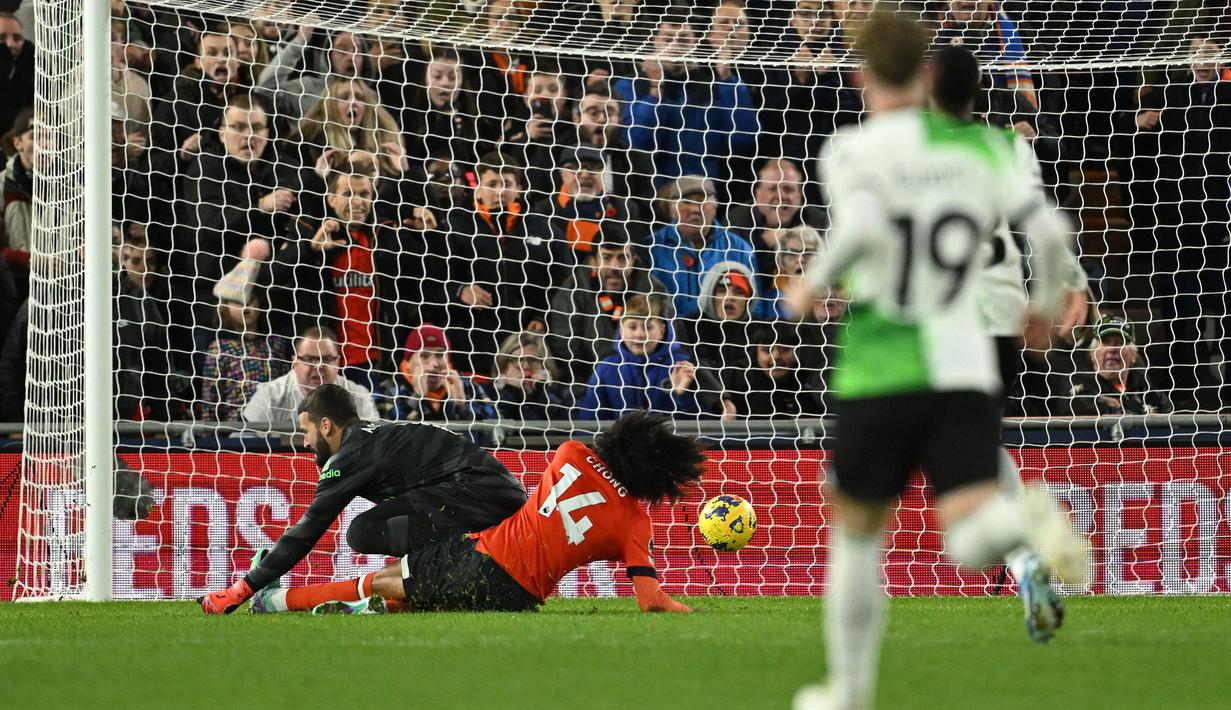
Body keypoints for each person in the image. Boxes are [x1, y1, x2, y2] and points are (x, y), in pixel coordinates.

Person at [785, 15, 1085, 710]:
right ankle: (1024, 524)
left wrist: (811, 282)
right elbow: (1046, 226)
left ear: (861, 75)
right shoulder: (982, 149)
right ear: (926, 74)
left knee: (856, 532)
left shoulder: (852, 149)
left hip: (882, 365)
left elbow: (859, 227)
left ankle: (848, 693)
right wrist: (1046, 300)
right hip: (966, 362)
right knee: (970, 527)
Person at [228, 410, 704, 615]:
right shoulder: (634, 524)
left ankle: (271, 601)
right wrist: (684, 607)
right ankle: (361, 610)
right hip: (521, 595)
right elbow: (650, 600)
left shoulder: (571, 453)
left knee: (383, 579)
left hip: (486, 557)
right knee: (404, 590)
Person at [199, 382, 530, 614]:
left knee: (364, 530)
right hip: (489, 490)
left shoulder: (352, 455)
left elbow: (308, 530)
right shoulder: (373, 435)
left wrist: (242, 588)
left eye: (306, 430)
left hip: (481, 491)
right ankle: (450, 572)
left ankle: (452, 573)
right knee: (381, 524)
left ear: (326, 426)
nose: (304, 442)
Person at [546, 222, 673, 385]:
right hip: (589, 383)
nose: (615, 267)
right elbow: (566, 351)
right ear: (594, 262)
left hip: (646, 380)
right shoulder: (571, 292)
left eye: (622, 258)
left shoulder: (655, 293)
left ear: (633, 260)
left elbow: (667, 345)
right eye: (606, 257)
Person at [577, 294, 710, 420]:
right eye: (632, 327)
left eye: (648, 327)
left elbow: (702, 423)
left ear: (662, 331)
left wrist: (682, 395)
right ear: (621, 330)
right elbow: (588, 419)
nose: (640, 334)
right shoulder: (607, 367)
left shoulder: (681, 365)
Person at [649, 174, 757, 320]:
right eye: (686, 202)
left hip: (726, 337)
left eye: (702, 201)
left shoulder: (739, 249)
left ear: (715, 207)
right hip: (670, 337)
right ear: (672, 209)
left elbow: (757, 305)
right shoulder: (652, 247)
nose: (695, 209)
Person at [242, 326, 379, 428]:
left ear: (338, 362)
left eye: (326, 359)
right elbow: (240, 447)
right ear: (294, 362)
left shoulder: (359, 396)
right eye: (309, 359)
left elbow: (375, 446)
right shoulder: (269, 397)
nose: (319, 366)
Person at [727, 159, 827, 295]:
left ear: (800, 196)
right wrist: (763, 245)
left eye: (789, 189)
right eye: (772, 189)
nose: (780, 197)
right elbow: (732, 277)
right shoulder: (736, 222)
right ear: (758, 195)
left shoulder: (820, 223)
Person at [1060, 315, 1171, 417]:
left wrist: (1117, 407)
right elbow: (1080, 407)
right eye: (1106, 342)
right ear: (1092, 354)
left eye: (1119, 343)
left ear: (1133, 355)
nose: (1112, 349)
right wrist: (1132, 411)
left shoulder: (1151, 394)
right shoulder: (1076, 383)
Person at [382, 323, 496, 423]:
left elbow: (496, 427)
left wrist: (463, 407)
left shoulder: (467, 386)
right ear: (407, 362)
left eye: (440, 355)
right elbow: (393, 435)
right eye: (424, 355)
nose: (434, 364)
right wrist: (416, 398)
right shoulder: (389, 389)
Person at [481, 330, 575, 422]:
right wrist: (511, 391)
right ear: (502, 365)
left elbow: (564, 430)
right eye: (517, 359)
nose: (525, 366)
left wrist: (544, 394)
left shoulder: (564, 395)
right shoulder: (485, 395)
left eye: (532, 360)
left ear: (545, 366)